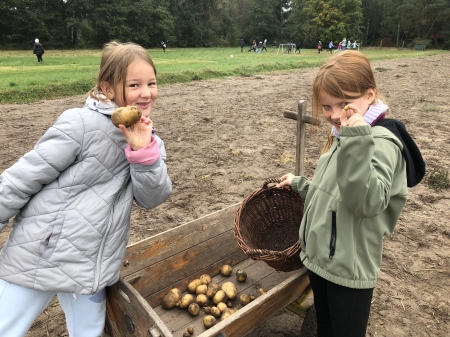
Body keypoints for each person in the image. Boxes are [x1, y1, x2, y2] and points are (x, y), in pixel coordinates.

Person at [0, 40, 173, 337]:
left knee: (89, 332)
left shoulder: (151, 141)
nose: (146, 93)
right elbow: (21, 179)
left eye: (151, 83)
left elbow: (152, 198)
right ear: (107, 89)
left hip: (94, 267)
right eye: (134, 85)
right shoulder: (79, 124)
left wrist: (144, 154)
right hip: (41, 256)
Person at [277, 50, 424, 337]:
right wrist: (300, 184)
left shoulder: (378, 141)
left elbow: (366, 202)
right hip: (322, 260)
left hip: (348, 271)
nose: (333, 116)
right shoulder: (346, 133)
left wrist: (356, 141)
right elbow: (332, 193)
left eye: (343, 104)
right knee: (325, 327)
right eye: (327, 106)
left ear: (370, 95)